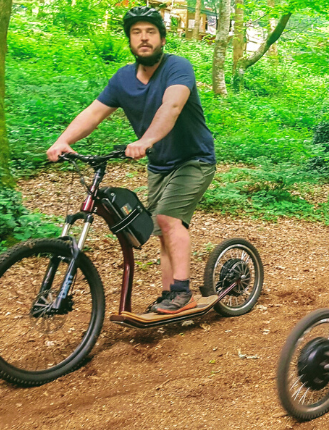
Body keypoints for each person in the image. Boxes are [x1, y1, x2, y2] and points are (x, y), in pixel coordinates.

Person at [46, 6, 216, 315]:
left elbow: (172, 106)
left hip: (194, 159)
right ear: (130, 41)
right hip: (160, 164)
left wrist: (146, 140)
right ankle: (170, 295)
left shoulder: (178, 67)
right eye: (136, 33)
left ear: (162, 38)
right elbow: (93, 113)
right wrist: (63, 140)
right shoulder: (123, 78)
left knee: (167, 219)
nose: (144, 38)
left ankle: (183, 292)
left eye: (150, 32)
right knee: (161, 229)